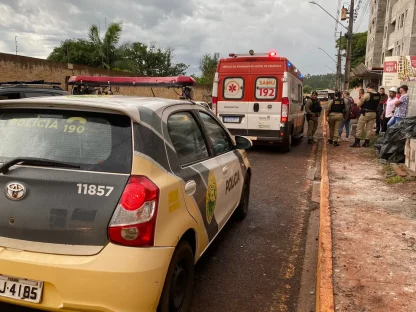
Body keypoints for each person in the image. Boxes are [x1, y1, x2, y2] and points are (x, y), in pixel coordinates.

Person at [351, 83, 381, 148]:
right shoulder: (378, 94)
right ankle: (367, 143)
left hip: (365, 113)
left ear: (368, 88)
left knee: (359, 127)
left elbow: (359, 104)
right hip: (373, 113)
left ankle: (357, 143)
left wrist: (358, 102)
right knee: (369, 129)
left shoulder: (367, 95)